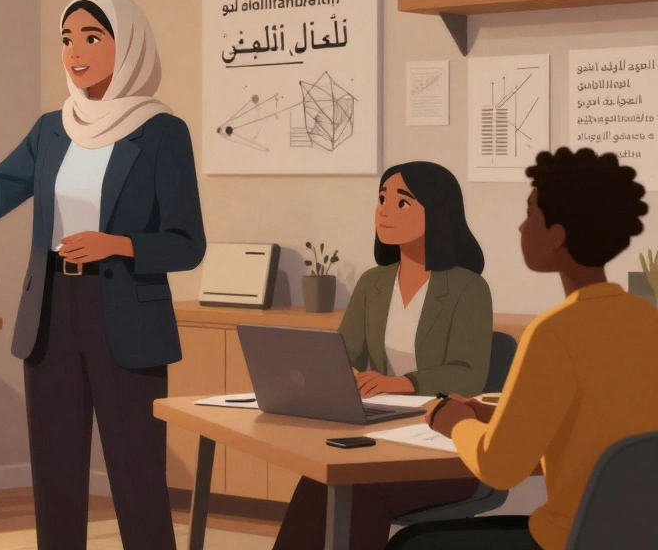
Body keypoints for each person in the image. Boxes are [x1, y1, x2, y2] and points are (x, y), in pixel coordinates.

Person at [0, 0, 205, 550]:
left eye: (93, 37)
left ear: (128, 45)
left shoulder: (162, 132)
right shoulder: (52, 129)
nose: (75, 51)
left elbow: (188, 245)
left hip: (126, 319)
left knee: (137, 475)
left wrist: (116, 244)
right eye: (67, 39)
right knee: (56, 474)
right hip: (51, 315)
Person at [390, 148, 658, 550]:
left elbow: (498, 468)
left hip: (568, 538)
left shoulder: (553, 332)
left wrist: (455, 422)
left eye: (531, 214)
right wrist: (495, 414)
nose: (520, 227)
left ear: (558, 235)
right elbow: (601, 418)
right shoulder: (645, 317)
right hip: (640, 536)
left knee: (411, 544)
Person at [274, 161, 493, 550]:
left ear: (437, 212)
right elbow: (345, 353)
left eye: (402, 202)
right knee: (320, 478)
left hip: (444, 441)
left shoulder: (467, 288)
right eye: (381, 198)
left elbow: (469, 374)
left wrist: (404, 383)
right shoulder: (373, 284)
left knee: (359, 491)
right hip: (381, 431)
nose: (385, 210)